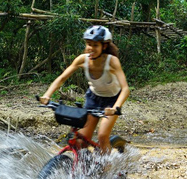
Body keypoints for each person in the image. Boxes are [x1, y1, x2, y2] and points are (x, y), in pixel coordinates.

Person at [39, 25, 129, 153]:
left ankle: (108, 164)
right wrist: (47, 95)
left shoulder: (112, 61)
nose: (90, 48)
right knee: (81, 140)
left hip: (112, 101)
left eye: (95, 45)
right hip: (93, 98)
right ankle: (85, 164)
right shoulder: (82, 59)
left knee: (102, 135)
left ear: (104, 46)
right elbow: (62, 78)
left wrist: (116, 108)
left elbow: (125, 89)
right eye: (88, 44)